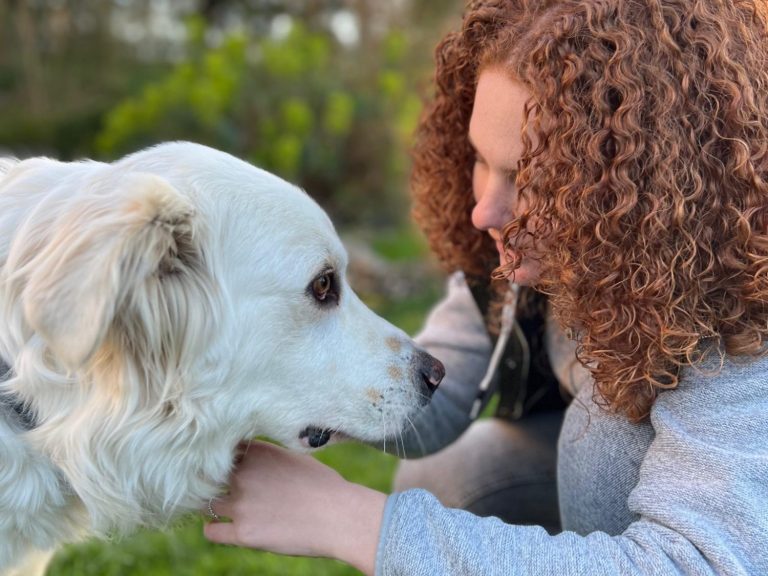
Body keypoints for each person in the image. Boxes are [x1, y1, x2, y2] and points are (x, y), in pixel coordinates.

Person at [203, 0, 768, 574]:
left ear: (640, 182)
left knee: (600, 441)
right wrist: (269, 389)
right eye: (480, 160)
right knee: (448, 474)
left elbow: (708, 562)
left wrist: (348, 520)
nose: (484, 210)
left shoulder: (740, 292)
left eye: (531, 179)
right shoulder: (519, 249)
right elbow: (434, 394)